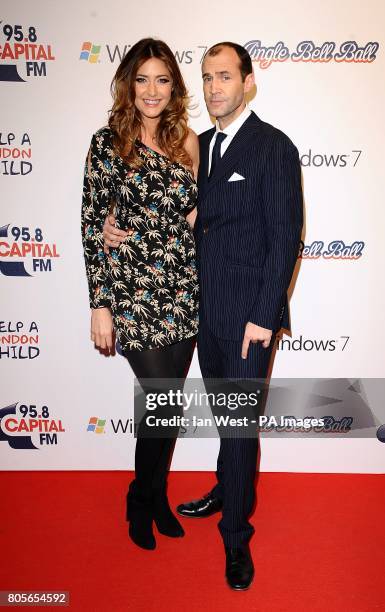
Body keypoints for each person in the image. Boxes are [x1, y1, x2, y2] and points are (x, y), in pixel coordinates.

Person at [103, 42, 303, 589]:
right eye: (208, 77)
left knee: (239, 426)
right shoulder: (198, 145)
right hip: (199, 311)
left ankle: (237, 539)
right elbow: (169, 213)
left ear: (247, 83)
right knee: (225, 424)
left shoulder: (273, 147)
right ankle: (225, 488)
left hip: (247, 319)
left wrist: (264, 314)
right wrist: (110, 226)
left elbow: (286, 237)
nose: (215, 87)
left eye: (225, 77)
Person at [81, 38, 199, 551]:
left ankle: (154, 496)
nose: (152, 90)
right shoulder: (107, 143)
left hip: (182, 288)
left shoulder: (188, 143)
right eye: (143, 79)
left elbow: (197, 217)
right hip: (131, 289)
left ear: (174, 87)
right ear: (129, 84)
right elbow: (91, 225)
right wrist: (100, 303)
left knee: (166, 407)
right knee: (159, 397)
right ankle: (140, 497)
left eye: (162, 79)